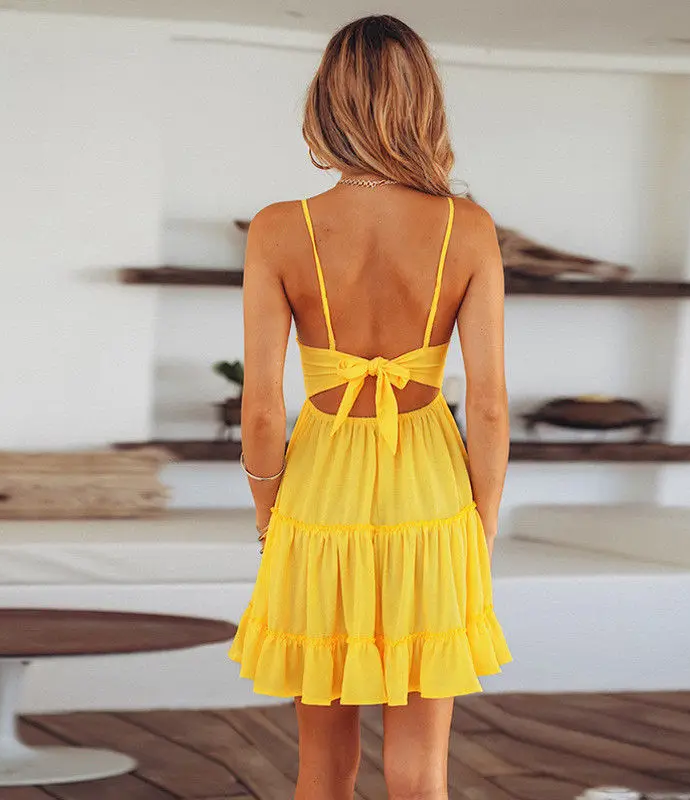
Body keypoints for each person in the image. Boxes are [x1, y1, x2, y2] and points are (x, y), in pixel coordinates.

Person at [229, 14, 511, 800]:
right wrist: (483, 522)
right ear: (424, 102)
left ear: (326, 103)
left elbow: (262, 408)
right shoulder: (468, 227)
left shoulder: (279, 228)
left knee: (322, 769)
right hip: (431, 493)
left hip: (319, 495)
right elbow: (489, 405)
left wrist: (268, 517)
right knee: (421, 772)